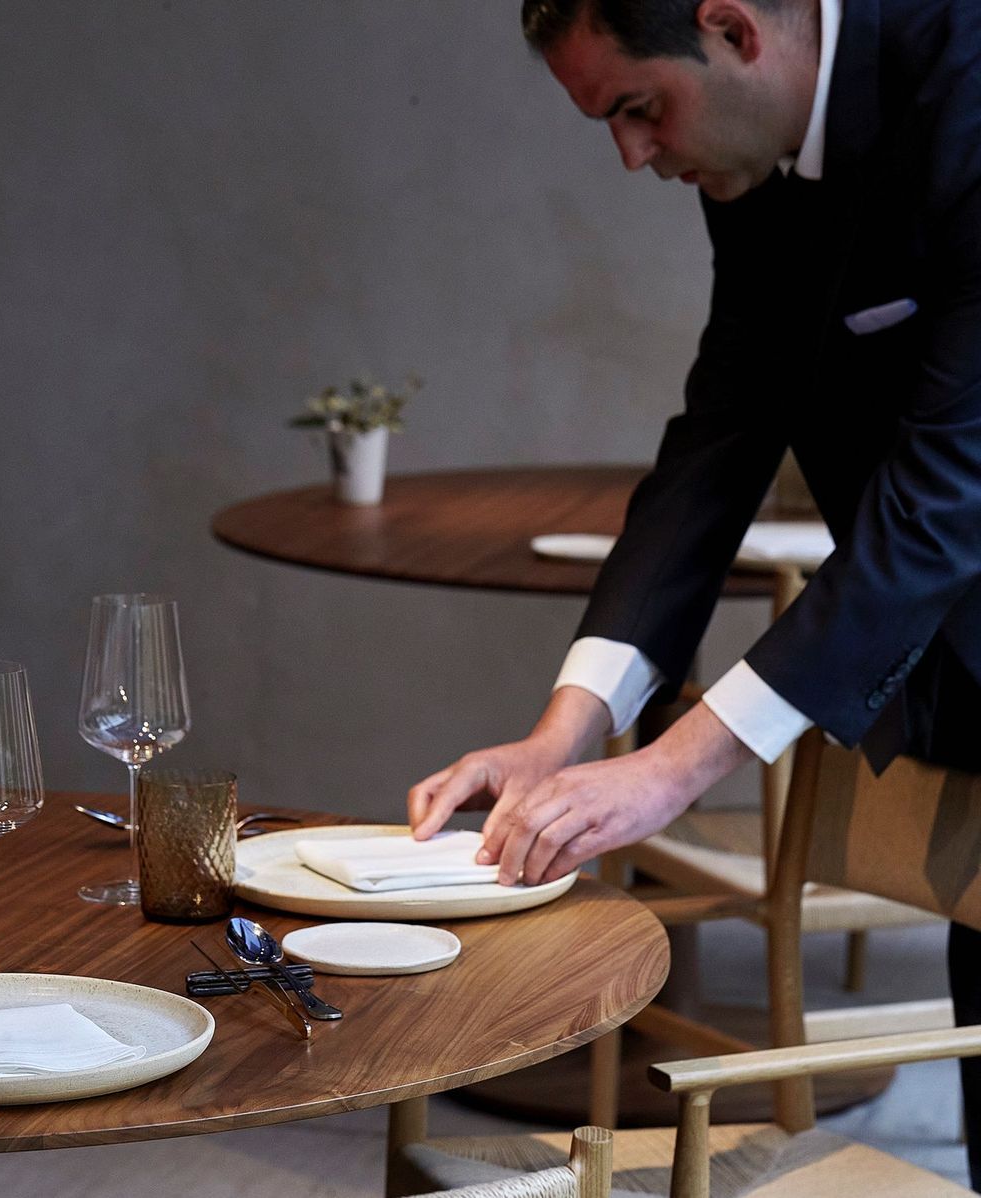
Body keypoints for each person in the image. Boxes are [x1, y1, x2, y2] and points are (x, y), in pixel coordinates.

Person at [407, 0, 981, 1183]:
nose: (632, 155)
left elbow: (946, 494)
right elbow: (721, 436)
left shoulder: (965, 81)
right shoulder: (750, 152)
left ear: (732, 29)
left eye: (638, 108)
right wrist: (563, 735)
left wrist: (671, 769)